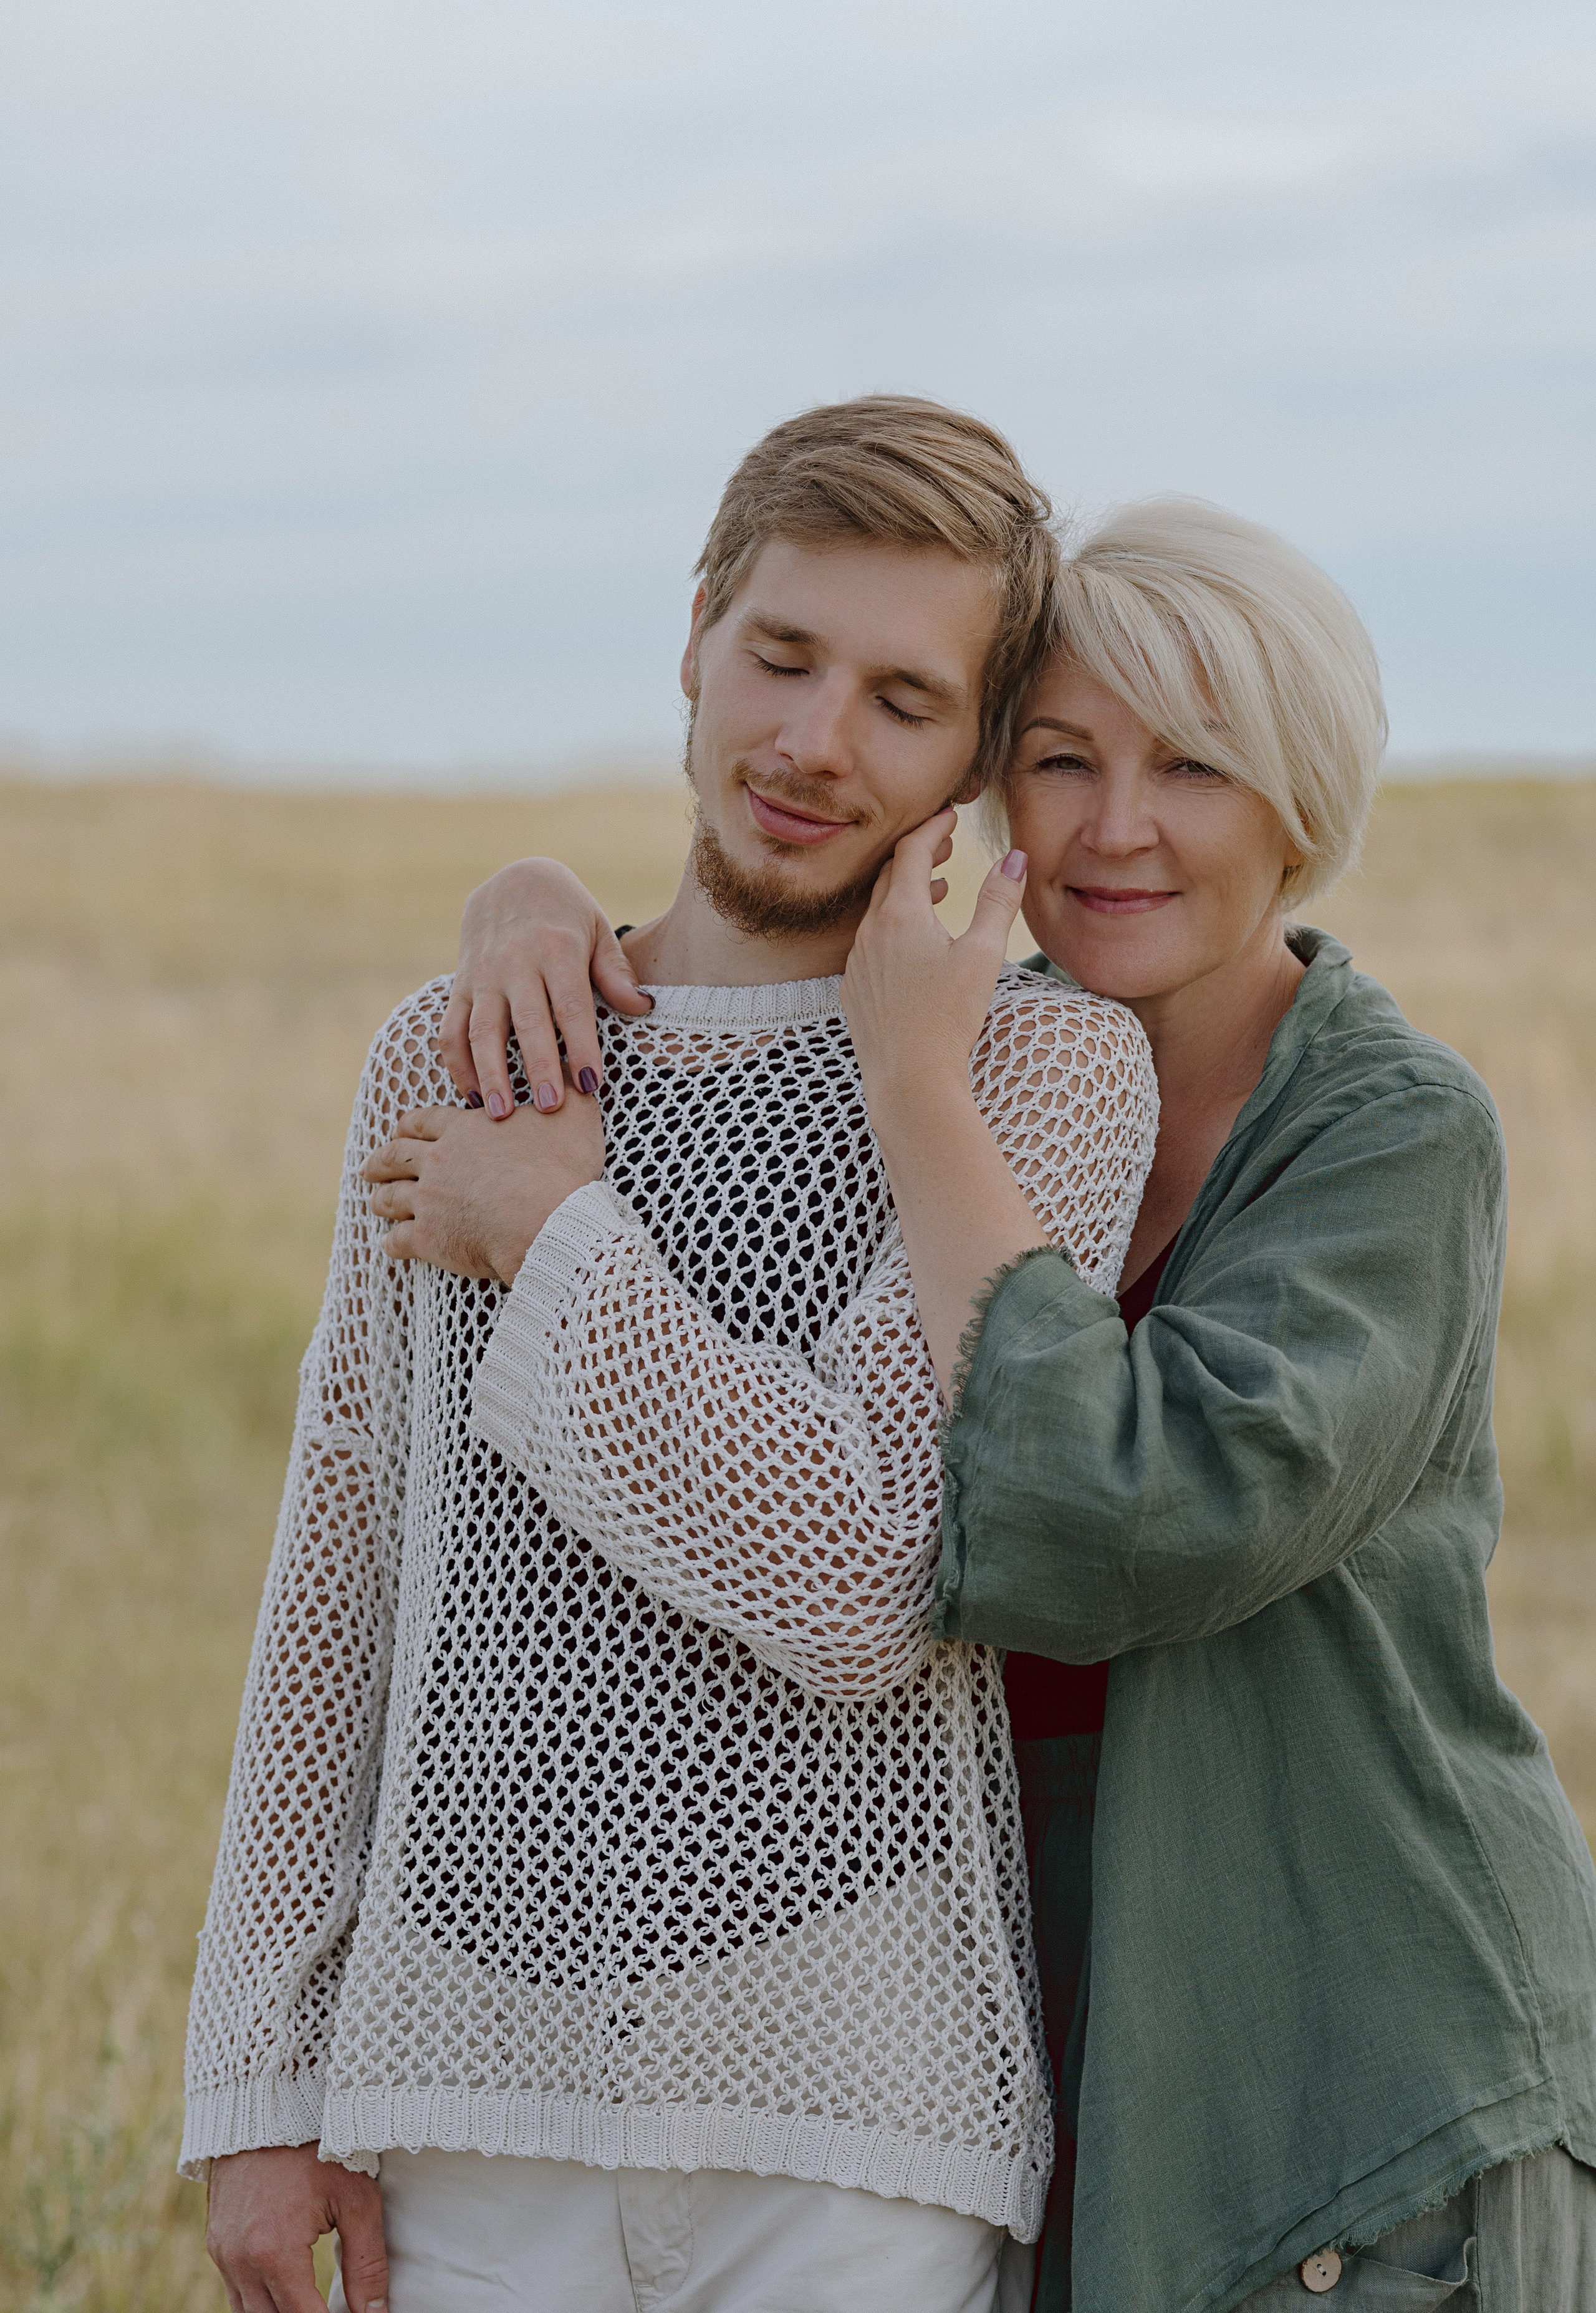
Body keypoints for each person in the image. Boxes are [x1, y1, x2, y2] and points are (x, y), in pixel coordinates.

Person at [445, 496, 1596, 2309]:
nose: (1117, 830)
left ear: (1301, 803)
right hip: (1049, 2053)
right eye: (1062, 759)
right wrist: (524, 912)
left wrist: (917, 1087)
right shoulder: (1017, 1057)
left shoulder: (1392, 1136)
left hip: (1350, 2083)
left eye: (1197, 768)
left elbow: (1125, 1527)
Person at [184, 397, 1163, 2313]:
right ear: (698, 628)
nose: (812, 742)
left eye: (901, 698)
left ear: (973, 754)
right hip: (461, 2097)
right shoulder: (457, 1049)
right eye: (782, 656)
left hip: (854, 2128)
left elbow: (870, 1580)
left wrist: (554, 1242)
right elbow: (346, 1561)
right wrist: (253, 2078)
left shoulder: (1033, 1077)